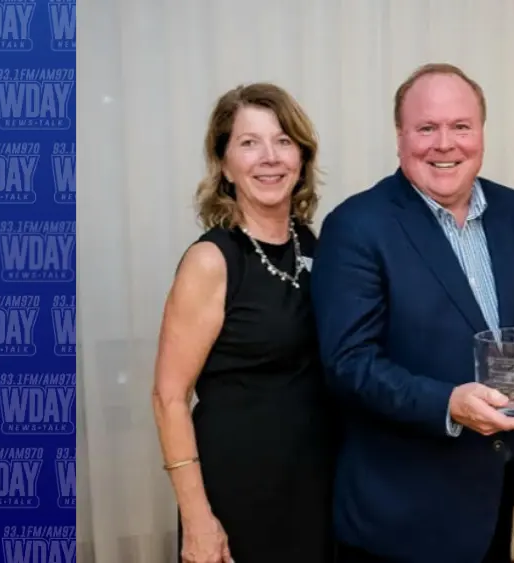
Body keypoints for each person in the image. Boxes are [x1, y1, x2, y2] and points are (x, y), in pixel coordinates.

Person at [310, 63, 514, 563]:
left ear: (481, 132)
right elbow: (349, 363)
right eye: (427, 128)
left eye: (460, 126)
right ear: (400, 136)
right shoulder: (356, 226)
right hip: (403, 510)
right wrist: (448, 404)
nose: (445, 144)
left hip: (497, 487)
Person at [151, 83, 337, 563]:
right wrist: (197, 520)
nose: (269, 158)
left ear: (302, 156)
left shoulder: (315, 245)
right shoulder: (211, 260)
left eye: (283, 140)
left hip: (314, 483)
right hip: (237, 494)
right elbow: (169, 398)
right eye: (249, 143)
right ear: (224, 163)